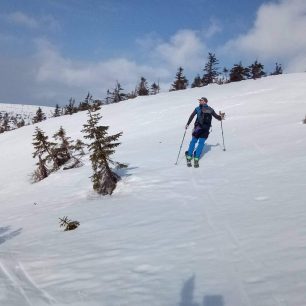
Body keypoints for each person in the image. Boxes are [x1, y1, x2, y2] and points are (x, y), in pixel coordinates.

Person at [185, 97, 225, 166]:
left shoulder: (197, 108)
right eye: (199, 100)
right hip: (206, 129)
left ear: (205, 102)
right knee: (201, 143)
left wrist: (187, 124)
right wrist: (221, 116)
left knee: (193, 141)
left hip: (198, 128)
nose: (199, 101)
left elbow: (192, 116)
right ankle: (196, 158)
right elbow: (217, 117)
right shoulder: (210, 109)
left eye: (201, 100)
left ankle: (189, 156)